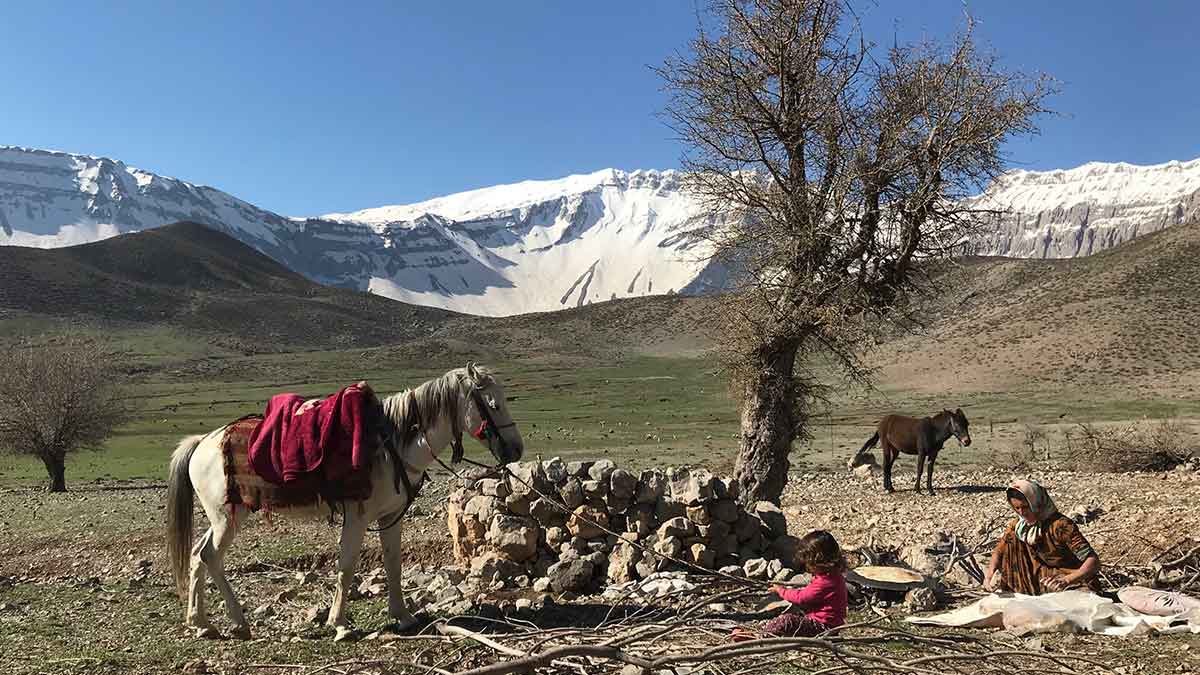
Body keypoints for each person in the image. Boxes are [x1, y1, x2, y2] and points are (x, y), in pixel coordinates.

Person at [983, 479, 1101, 595]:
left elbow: (1093, 561)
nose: (1022, 513)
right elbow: (999, 551)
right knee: (1011, 543)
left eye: (1025, 507)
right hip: (1040, 581)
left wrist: (1067, 580)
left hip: (1069, 581)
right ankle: (1021, 592)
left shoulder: (1060, 525)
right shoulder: (1019, 527)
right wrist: (989, 575)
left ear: (1037, 503)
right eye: (1017, 508)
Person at [734, 530, 848, 640]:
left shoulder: (826, 582)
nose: (808, 568)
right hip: (827, 625)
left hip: (823, 628)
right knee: (790, 616)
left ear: (820, 562)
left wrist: (781, 591)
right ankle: (762, 630)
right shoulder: (834, 576)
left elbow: (801, 598)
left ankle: (758, 637)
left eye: (809, 564)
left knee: (787, 620)